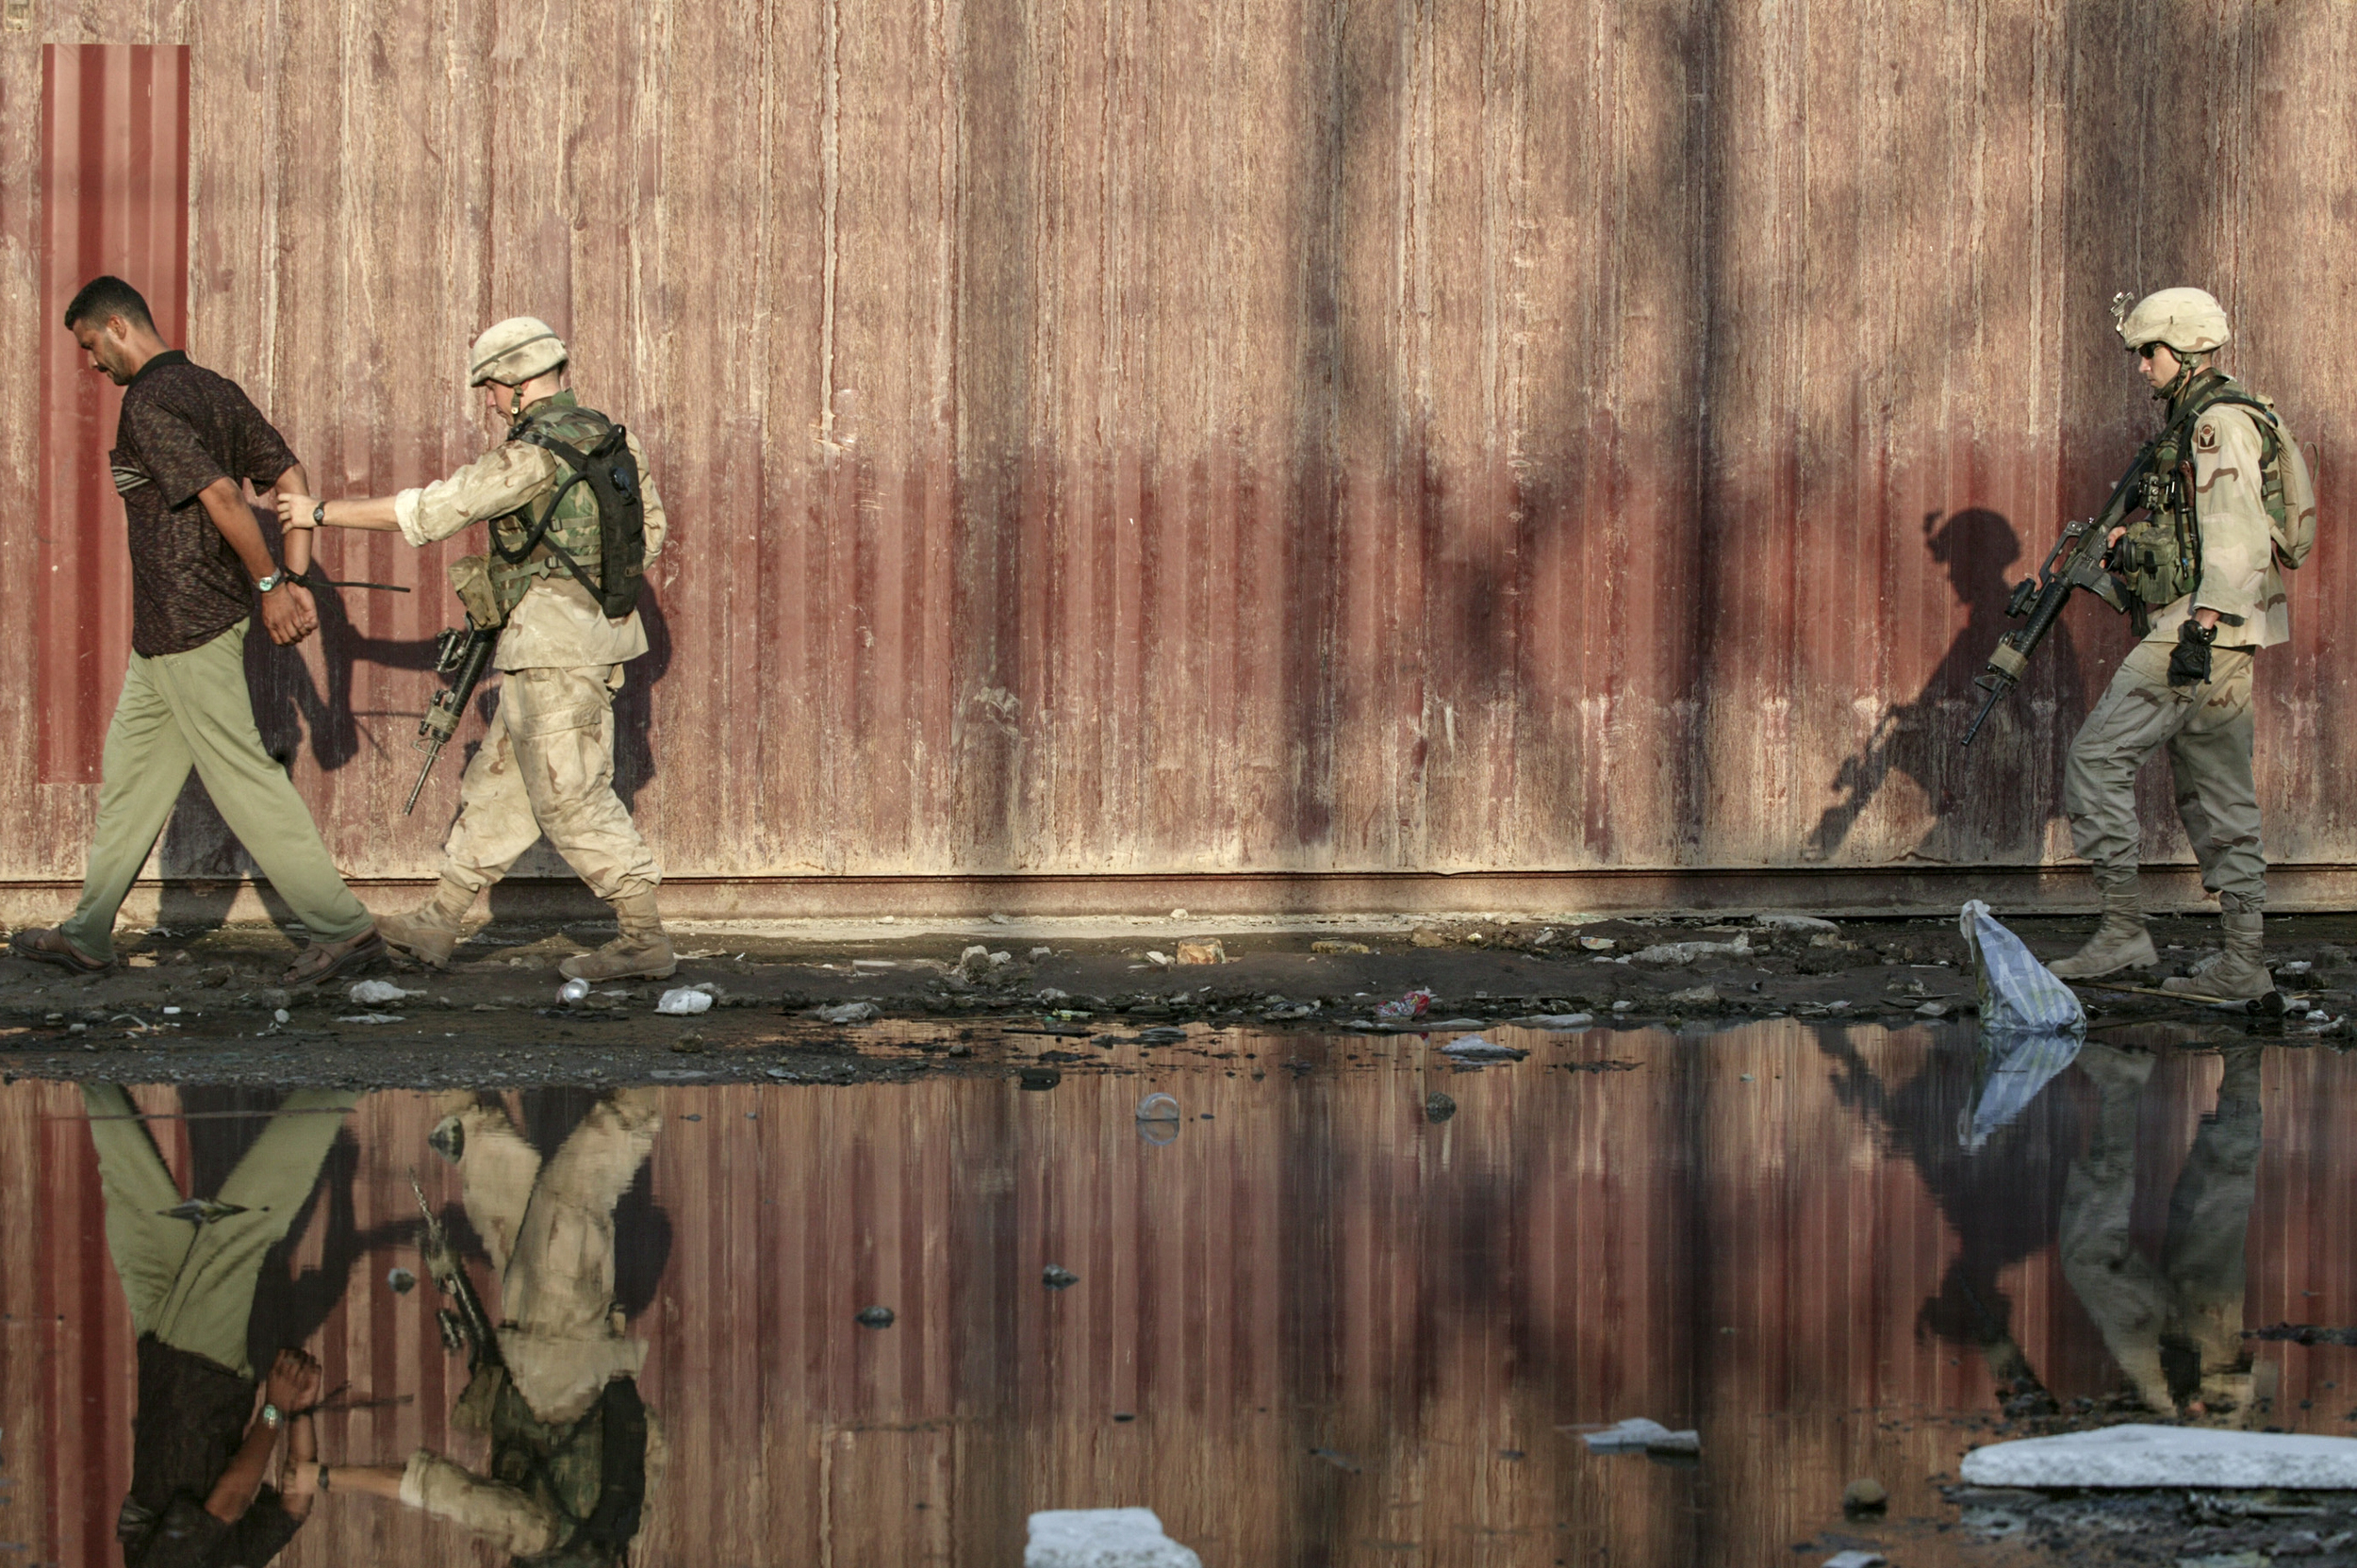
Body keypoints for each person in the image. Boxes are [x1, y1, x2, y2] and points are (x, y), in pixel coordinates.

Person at [9, 276, 382, 986]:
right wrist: (298, 577)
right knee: (131, 776)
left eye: (91, 346)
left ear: (118, 327)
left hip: (189, 622)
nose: (92, 364)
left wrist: (275, 584)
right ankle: (89, 933)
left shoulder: (147, 402)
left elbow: (220, 494)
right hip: (162, 640)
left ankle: (345, 928)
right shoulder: (215, 388)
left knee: (243, 778)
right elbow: (289, 477)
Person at [286, 318, 673, 982]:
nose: (489, 402)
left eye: (492, 388)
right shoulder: (614, 439)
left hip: (554, 652)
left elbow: (434, 512)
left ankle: (643, 940)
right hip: (568, 644)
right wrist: (578, 583)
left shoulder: (532, 454)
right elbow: (652, 535)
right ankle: (439, 922)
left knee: (571, 798)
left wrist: (319, 513)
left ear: (519, 385)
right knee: (501, 785)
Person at [2048, 288, 2298, 999]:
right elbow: (2198, 526)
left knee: (2096, 760)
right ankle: (2244, 963)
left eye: (2149, 352)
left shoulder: (2215, 424)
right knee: (2218, 788)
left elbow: (2238, 532)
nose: (2142, 367)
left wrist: (2202, 626)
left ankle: (2123, 931)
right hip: (2219, 625)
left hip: (2197, 627)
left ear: (2184, 351)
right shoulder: (2196, 422)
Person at [327, 1090, 664, 1563]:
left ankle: (443, 1052)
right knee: (576, 1193)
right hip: (553, 1343)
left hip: (546, 1343)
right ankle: (653, 1065)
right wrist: (326, 1478)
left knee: (486, 1163)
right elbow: (447, 1491)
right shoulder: (538, 1536)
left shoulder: (620, 1528)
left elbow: (650, 1437)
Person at [87, 1083, 357, 1564]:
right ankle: (334, 1084)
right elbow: (291, 1502)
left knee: (136, 1206)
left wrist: (280, 1408)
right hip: (202, 1372)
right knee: (239, 1232)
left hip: (162, 1351)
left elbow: (270, 1504)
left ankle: (85, 1072)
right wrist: (292, 1410)